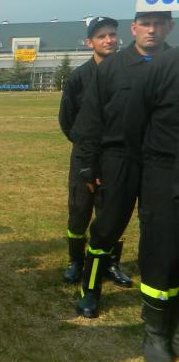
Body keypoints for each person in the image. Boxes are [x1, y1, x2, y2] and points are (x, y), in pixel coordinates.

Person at [73, 11, 174, 318]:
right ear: (134, 28)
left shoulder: (174, 64)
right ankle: (90, 288)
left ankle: (159, 299)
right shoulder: (112, 67)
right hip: (118, 158)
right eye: (145, 24)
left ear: (170, 27)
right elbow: (91, 119)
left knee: (161, 230)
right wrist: (88, 165)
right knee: (107, 226)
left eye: (159, 24)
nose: (152, 30)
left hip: (165, 163)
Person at [124, 46, 179, 362]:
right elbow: (133, 122)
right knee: (162, 251)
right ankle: (156, 332)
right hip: (165, 169)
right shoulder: (164, 65)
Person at [58, 17, 123, 285]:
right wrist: (85, 149)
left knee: (113, 212)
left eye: (112, 35)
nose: (108, 40)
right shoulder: (78, 78)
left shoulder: (128, 74)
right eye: (101, 36)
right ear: (90, 43)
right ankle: (75, 261)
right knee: (79, 210)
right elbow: (67, 119)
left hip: (117, 158)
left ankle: (110, 263)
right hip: (84, 156)